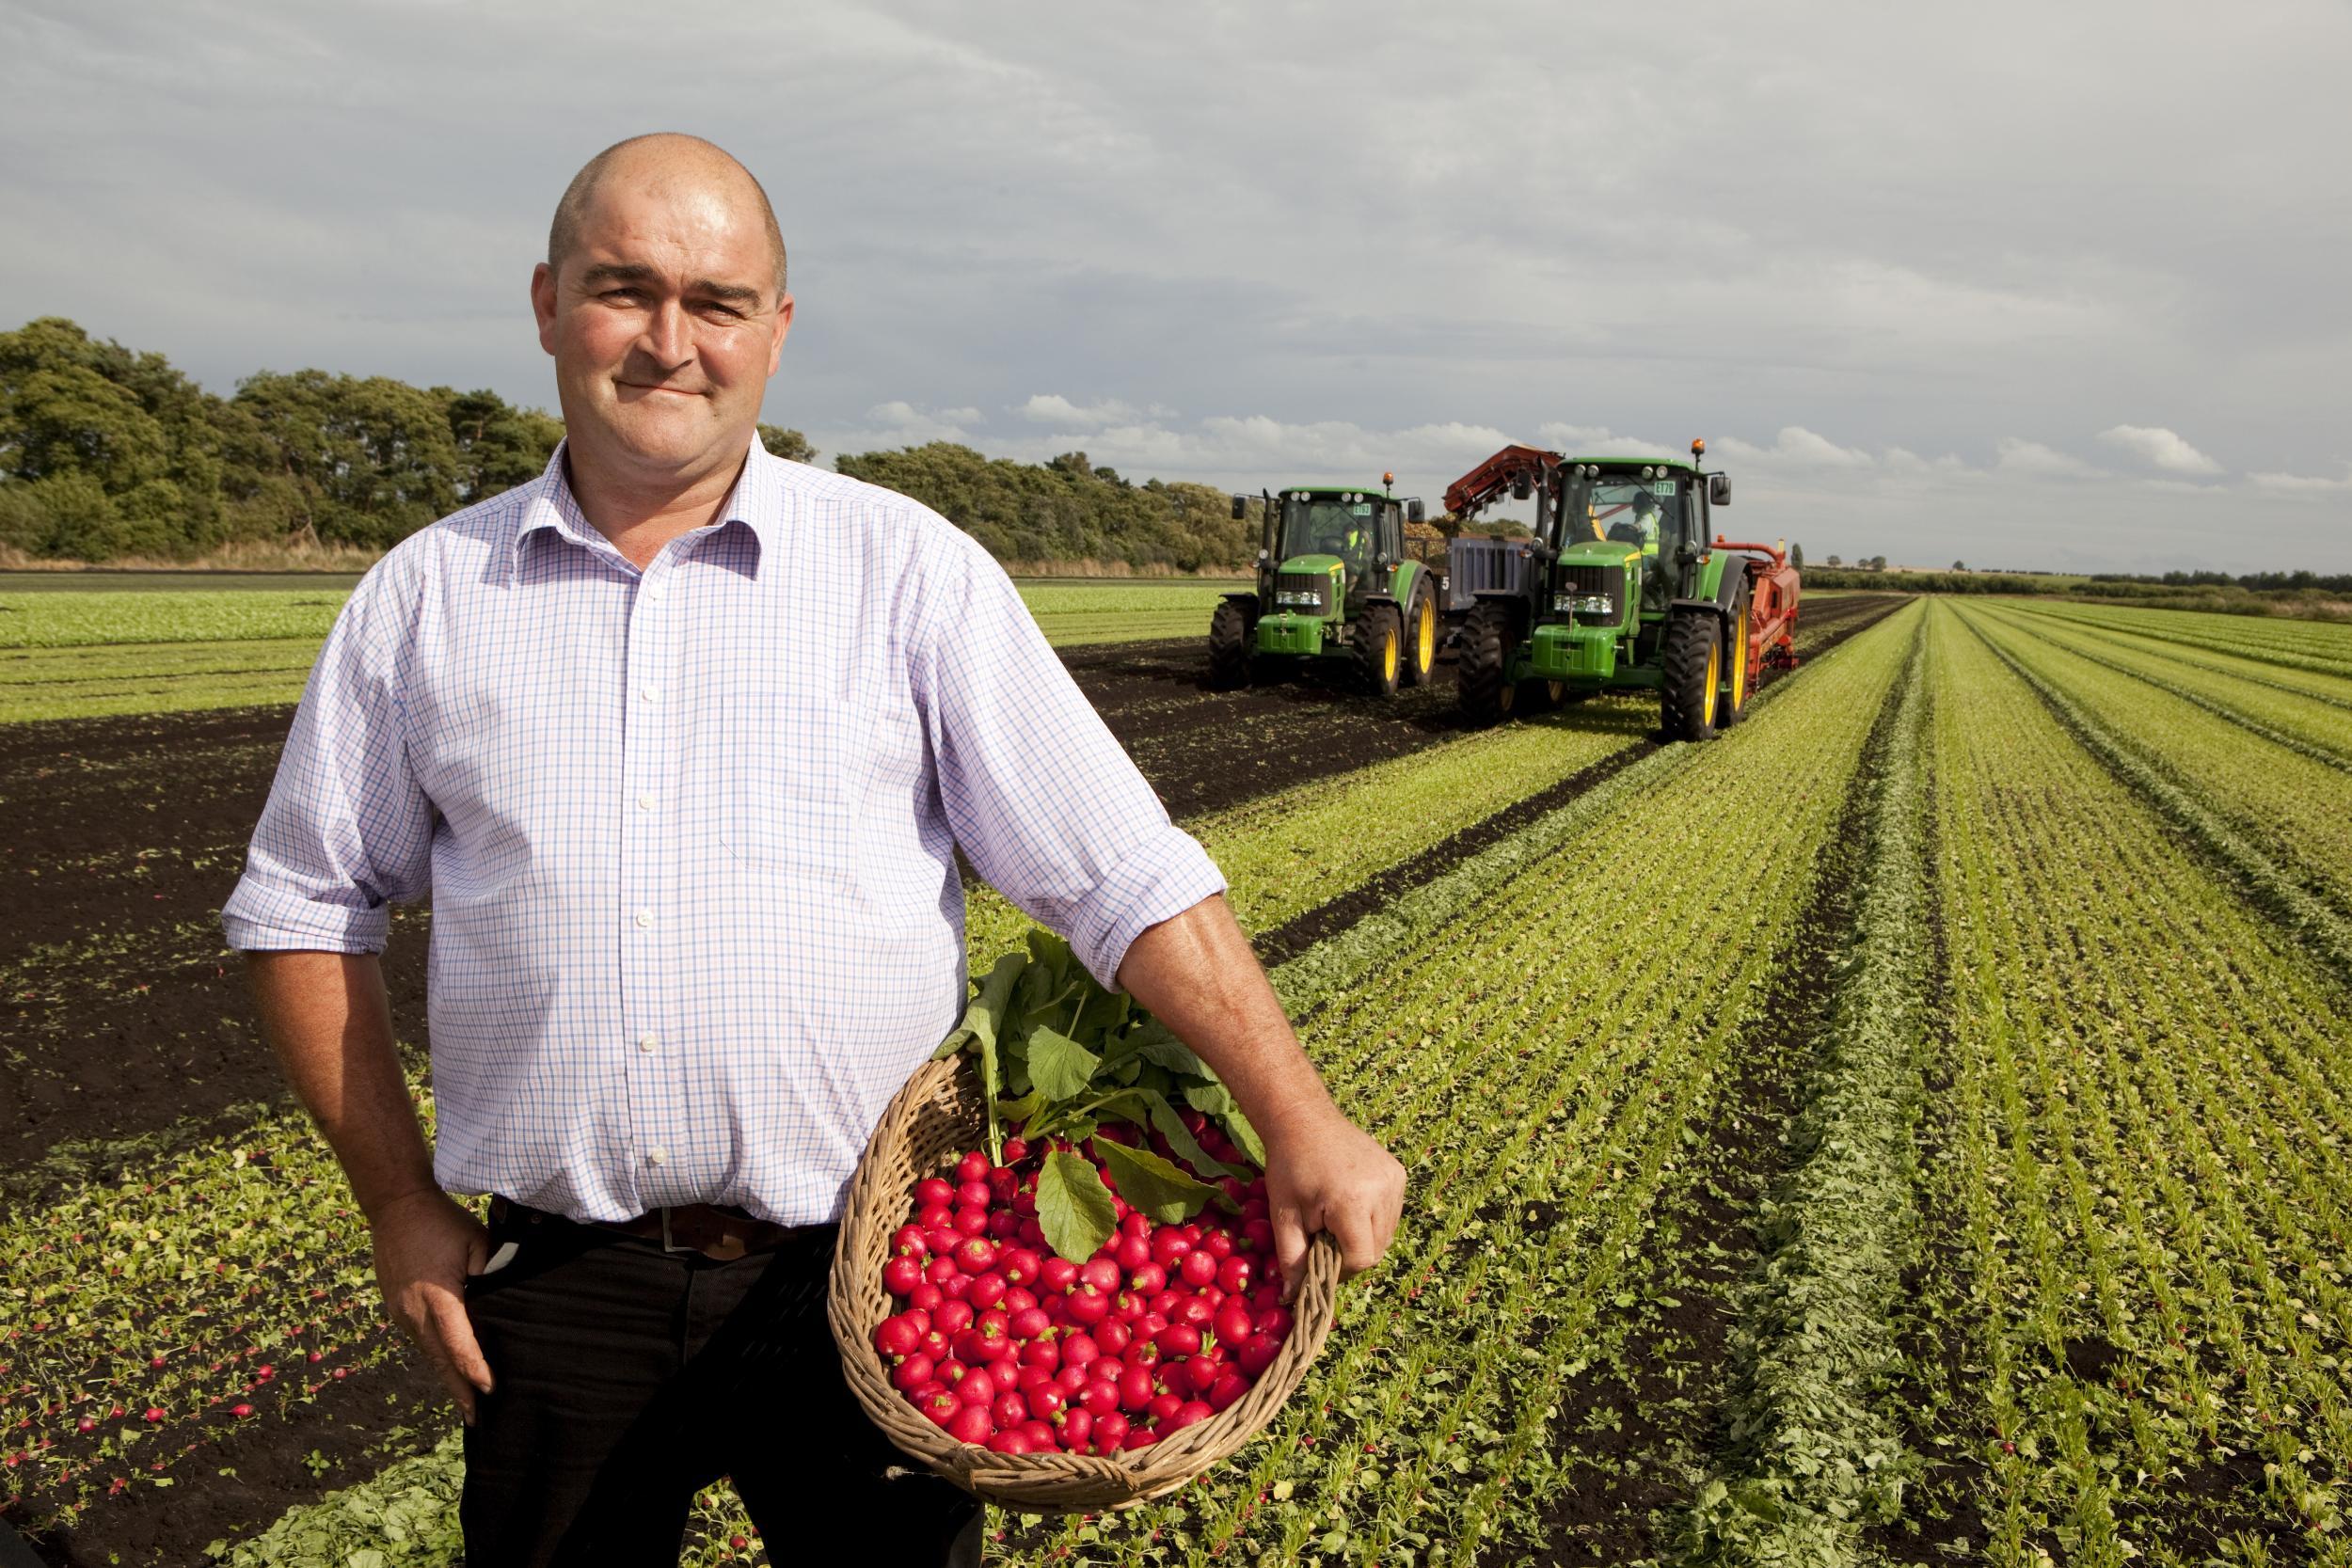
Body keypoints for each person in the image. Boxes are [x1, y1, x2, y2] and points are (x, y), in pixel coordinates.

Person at [219, 133, 1406, 1568]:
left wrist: (1296, 1112)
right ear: (547, 305)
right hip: (560, 1280)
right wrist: (401, 1208)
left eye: (718, 302)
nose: (672, 342)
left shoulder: (907, 574)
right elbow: (305, 907)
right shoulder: (425, 600)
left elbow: (1116, 869)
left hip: (872, 1277)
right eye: (624, 290)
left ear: (777, 333)